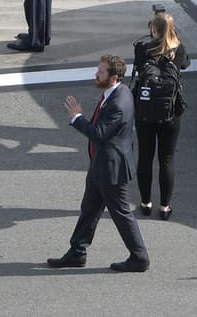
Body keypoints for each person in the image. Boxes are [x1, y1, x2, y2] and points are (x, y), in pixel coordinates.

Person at [51, 54, 150, 273]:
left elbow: (99, 134)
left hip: (111, 169)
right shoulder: (117, 93)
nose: (97, 74)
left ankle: (139, 256)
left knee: (121, 213)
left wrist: (77, 117)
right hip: (101, 165)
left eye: (101, 72)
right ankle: (77, 252)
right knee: (89, 209)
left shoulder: (118, 103)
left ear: (114, 77)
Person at [132, 9, 190, 220]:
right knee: (167, 158)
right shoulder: (179, 49)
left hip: (145, 109)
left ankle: (146, 202)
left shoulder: (142, 48)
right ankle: (165, 206)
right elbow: (184, 65)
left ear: (154, 29)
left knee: (145, 155)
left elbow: (138, 68)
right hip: (170, 112)